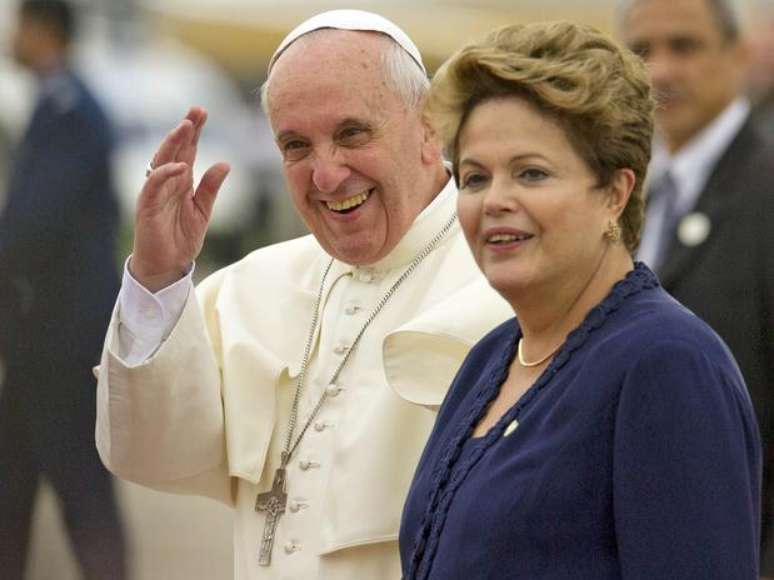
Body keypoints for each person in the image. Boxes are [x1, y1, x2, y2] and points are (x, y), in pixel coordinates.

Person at [94, 9, 511, 580]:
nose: (326, 175)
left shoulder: (509, 283)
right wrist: (159, 278)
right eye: (295, 145)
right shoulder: (252, 287)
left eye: (351, 134)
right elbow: (149, 454)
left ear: (429, 128)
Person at [399, 21, 761, 579]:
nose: (495, 201)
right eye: (474, 178)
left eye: (532, 173)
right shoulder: (489, 358)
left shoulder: (667, 363)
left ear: (615, 192)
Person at [615, 0, 774, 572]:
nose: (659, 72)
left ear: (739, 55)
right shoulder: (615, 192)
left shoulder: (765, 190)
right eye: (641, 52)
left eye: (684, 47)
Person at [0, 1, 127, 579]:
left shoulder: (73, 110)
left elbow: (34, 223)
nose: (12, 38)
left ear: (41, 30)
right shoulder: (56, 104)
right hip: (37, 342)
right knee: (11, 488)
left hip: (61, 341)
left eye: (18, 26)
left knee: (82, 492)